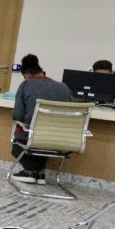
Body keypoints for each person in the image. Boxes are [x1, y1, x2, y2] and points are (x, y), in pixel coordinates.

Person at [10, 53, 73, 183]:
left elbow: (17, 115)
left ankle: (30, 172)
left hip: (35, 136)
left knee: (21, 132)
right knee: (41, 136)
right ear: (42, 72)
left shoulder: (26, 85)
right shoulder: (64, 87)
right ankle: (39, 173)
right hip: (62, 138)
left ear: (26, 75)